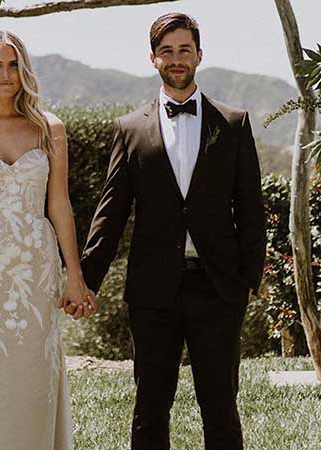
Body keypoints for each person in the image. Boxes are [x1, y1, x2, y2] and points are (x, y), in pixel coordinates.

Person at [67, 12, 266, 450]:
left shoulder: (233, 123)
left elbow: (251, 207)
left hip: (219, 288)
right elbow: (111, 212)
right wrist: (85, 280)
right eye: (167, 51)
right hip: (153, 290)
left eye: (184, 50)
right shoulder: (129, 129)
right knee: (150, 407)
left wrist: (250, 278)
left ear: (199, 55)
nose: (177, 59)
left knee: (220, 407)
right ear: (153, 58)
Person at [0, 30, 95, 450]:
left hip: (35, 270)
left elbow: (59, 204)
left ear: (24, 70)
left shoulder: (49, 128)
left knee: (35, 375)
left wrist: (74, 275)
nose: (6, 74)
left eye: (13, 65)